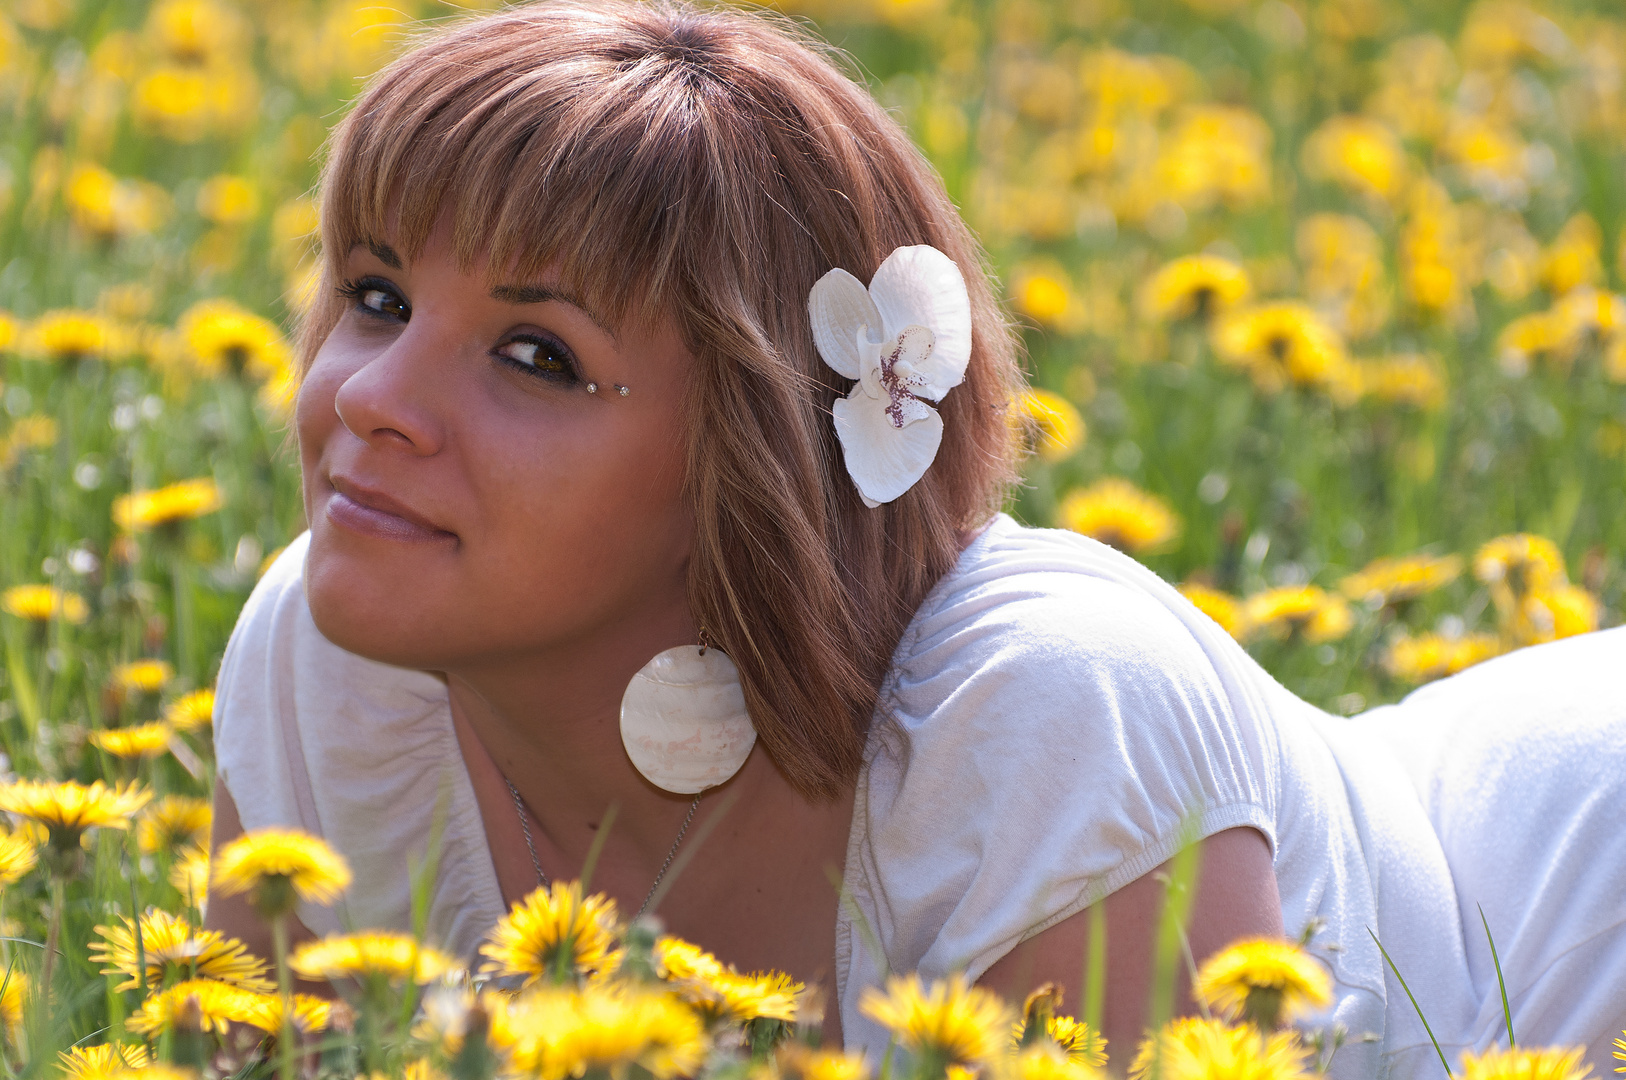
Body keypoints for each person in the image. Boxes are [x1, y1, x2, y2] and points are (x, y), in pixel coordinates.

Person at [206, 2, 1626, 1075]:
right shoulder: (335, 664)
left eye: (535, 354)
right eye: (377, 295)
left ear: (755, 454)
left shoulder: (1042, 719)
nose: (371, 400)